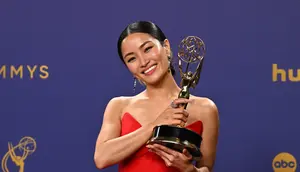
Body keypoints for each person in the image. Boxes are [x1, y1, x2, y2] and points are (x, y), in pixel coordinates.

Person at [94, 21, 219, 172]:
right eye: (131, 59)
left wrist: (189, 170)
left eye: (147, 49)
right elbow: (101, 158)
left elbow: (206, 167)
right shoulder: (119, 106)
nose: (144, 62)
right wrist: (154, 125)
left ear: (166, 47)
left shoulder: (205, 109)